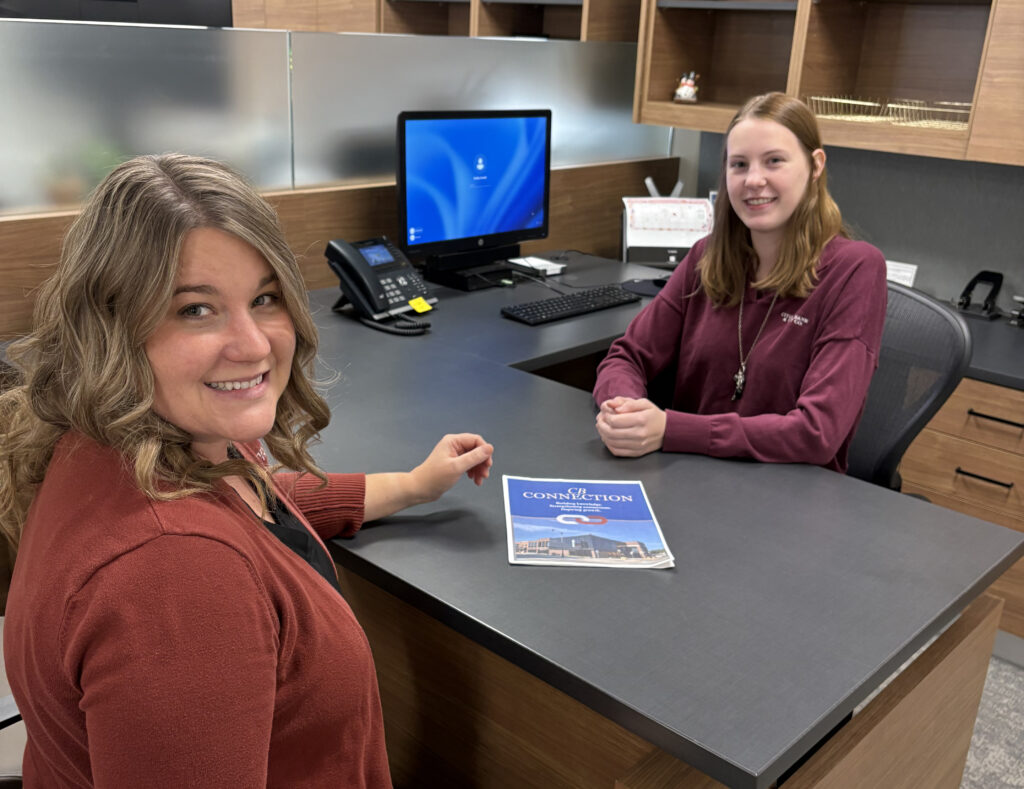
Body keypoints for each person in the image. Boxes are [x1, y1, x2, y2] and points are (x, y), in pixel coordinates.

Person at [0, 153, 494, 788]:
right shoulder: (175, 578)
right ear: (112, 325)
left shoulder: (123, 441)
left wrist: (412, 485)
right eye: (195, 309)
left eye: (264, 298)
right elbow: (199, 548)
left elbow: (248, 502)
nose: (255, 344)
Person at [594, 92, 887, 471]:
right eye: (739, 164)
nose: (753, 180)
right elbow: (626, 357)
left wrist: (671, 429)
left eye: (774, 161)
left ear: (815, 166)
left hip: (787, 497)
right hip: (689, 476)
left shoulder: (855, 269)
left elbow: (817, 433)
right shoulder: (706, 256)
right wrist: (623, 409)